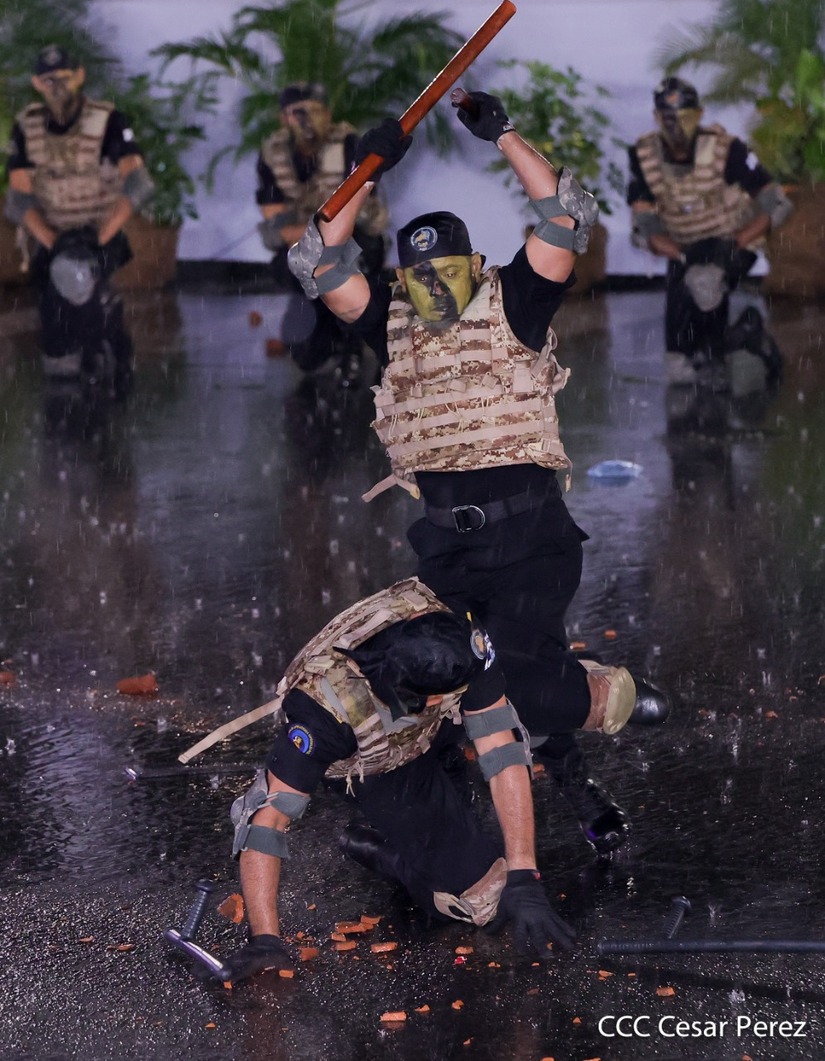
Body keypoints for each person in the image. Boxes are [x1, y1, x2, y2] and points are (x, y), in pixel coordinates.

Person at [287, 91, 670, 859]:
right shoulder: (391, 321)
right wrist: (367, 168)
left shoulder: (513, 303)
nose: (431, 286)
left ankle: (604, 694)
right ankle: (450, 816)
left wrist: (505, 136)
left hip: (531, 541)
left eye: (445, 271)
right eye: (417, 274)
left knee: (512, 676)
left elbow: (564, 216)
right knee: (437, 678)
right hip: (447, 552)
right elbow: (318, 260)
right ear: (403, 277)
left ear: (471, 266)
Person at [222, 578, 577, 981]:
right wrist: (265, 939)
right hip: (376, 765)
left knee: (562, 699)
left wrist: (524, 873)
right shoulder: (323, 713)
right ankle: (380, 849)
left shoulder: (458, 639)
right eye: (431, 697)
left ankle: (456, 770)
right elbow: (266, 821)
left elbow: (501, 748)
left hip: (434, 727)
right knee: (483, 902)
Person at [4, 45, 154, 397]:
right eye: (48, 80)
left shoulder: (107, 121)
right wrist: (54, 243)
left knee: (80, 280)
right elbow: (19, 198)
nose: (57, 86)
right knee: (58, 360)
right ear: (36, 83)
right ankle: (86, 344)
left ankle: (108, 338)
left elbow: (138, 183)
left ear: (80, 76)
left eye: (64, 77)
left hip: (100, 232)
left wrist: (99, 239)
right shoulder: (26, 127)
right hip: (53, 236)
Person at [627, 76, 791, 389]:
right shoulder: (645, 155)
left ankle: (719, 354)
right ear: (657, 117)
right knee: (679, 364)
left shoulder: (726, 149)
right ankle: (744, 335)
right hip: (685, 245)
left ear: (700, 114)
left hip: (732, 239)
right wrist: (670, 248)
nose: (676, 126)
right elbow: (644, 218)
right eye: (668, 118)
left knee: (705, 280)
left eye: (685, 117)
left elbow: (776, 202)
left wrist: (737, 244)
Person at [256, 82, 388, 387]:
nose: (306, 120)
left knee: (349, 263)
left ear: (328, 115)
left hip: (355, 241)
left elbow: (358, 208)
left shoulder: (348, 144)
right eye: (297, 113)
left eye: (314, 111)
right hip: (306, 248)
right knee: (307, 356)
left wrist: (320, 236)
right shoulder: (273, 153)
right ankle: (329, 321)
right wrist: (315, 237)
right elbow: (276, 224)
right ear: (283, 118)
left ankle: (353, 343)